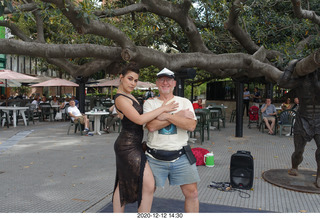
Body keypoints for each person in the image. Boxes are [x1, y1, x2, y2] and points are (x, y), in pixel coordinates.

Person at [112, 63, 178, 213]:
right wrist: (164, 108)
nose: (133, 83)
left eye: (135, 80)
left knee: (122, 182)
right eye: (130, 79)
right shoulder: (121, 98)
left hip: (134, 144)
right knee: (148, 183)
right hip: (127, 146)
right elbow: (140, 120)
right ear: (121, 78)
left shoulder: (129, 95)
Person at [143, 68, 200, 212]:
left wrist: (167, 116)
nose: (165, 82)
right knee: (146, 193)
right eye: (161, 79)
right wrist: (179, 116)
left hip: (181, 156)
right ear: (156, 83)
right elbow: (151, 126)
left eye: (168, 79)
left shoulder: (185, 102)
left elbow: (191, 125)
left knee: (192, 193)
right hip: (154, 157)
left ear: (174, 83)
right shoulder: (149, 104)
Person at [278, 61, 320, 187]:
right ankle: (294, 166)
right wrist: (291, 65)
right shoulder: (301, 80)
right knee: (298, 151)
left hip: (319, 118)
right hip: (303, 119)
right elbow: (282, 83)